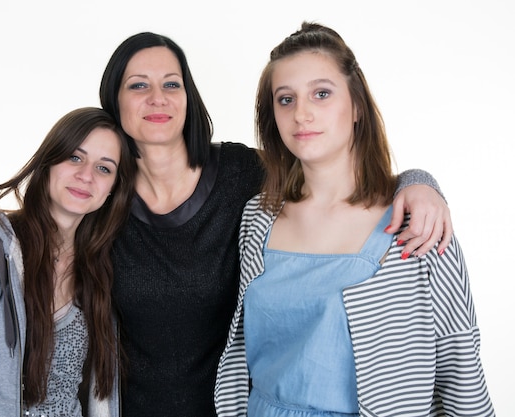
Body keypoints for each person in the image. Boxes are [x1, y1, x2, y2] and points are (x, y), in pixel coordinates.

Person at [99, 31, 455, 417]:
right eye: (138, 85)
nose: (158, 97)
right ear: (114, 101)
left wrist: (419, 183)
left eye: (172, 83)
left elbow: (320, 162)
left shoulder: (242, 176)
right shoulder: (101, 199)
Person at [214, 21, 495, 417]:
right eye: (286, 99)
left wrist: (420, 182)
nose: (302, 114)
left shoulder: (417, 222)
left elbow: (461, 368)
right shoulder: (257, 218)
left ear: (357, 106)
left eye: (322, 93)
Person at [0, 107, 135, 417]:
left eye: (104, 168)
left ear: (113, 190)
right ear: (48, 161)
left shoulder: (102, 270)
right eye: (74, 157)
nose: (86, 175)